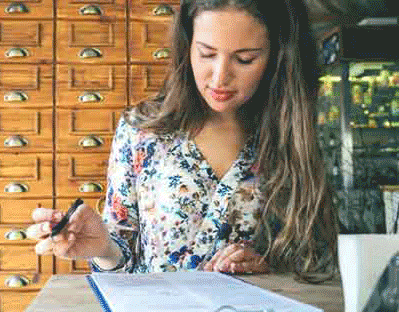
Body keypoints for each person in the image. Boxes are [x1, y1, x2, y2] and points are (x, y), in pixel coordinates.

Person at [27, 0, 339, 281]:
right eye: (206, 54)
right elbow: (123, 266)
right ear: (187, 45)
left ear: (276, 57)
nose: (219, 77)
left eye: (244, 60)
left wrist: (269, 270)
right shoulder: (142, 130)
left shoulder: (294, 135)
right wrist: (104, 249)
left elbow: (323, 265)